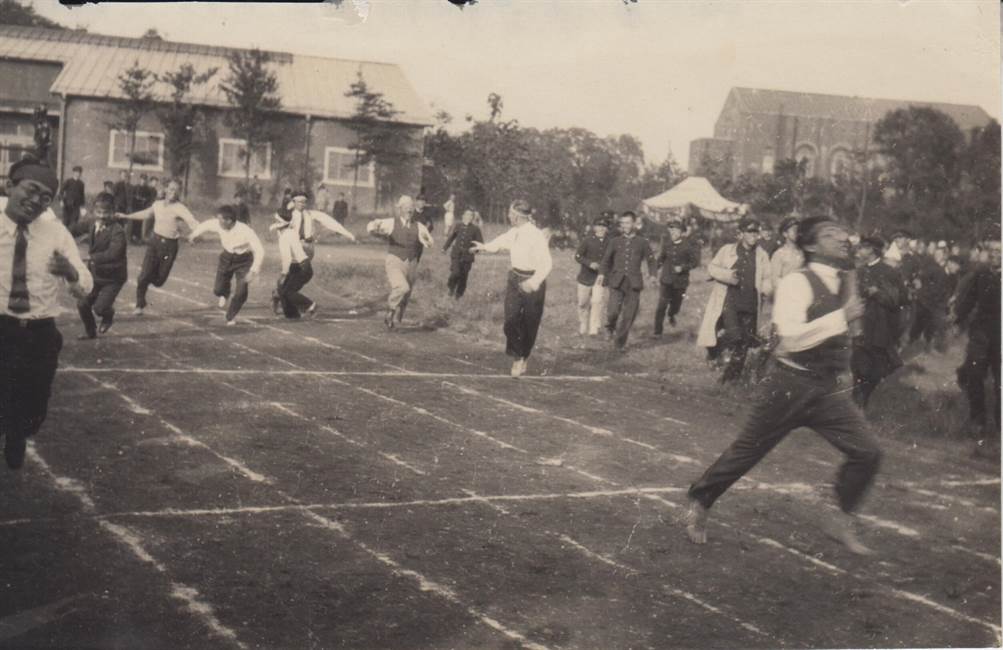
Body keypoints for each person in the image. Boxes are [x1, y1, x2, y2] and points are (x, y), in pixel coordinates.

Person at [685, 216, 882, 555]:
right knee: (748, 451)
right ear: (810, 245)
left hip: (826, 389)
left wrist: (844, 364)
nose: (843, 239)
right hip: (788, 384)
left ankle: (841, 516)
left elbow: (846, 338)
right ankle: (701, 501)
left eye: (843, 233)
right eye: (831, 235)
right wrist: (842, 316)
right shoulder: (796, 283)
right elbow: (790, 341)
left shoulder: (846, 279)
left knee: (868, 452)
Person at [1, 157, 92, 469]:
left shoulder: (55, 232)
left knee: (34, 408)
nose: (36, 201)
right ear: (10, 185)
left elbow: (85, 284)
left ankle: (18, 432)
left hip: (39, 332)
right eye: (31, 189)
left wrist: (70, 272)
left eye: (45, 197)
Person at [471, 200, 552, 377]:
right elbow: (501, 241)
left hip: (532, 281)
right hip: (514, 279)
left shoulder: (536, 235)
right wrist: (484, 247)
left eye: (510, 214)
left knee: (530, 323)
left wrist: (533, 282)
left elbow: (546, 264)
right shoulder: (514, 232)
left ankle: (523, 356)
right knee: (510, 321)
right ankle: (517, 355)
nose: (508, 216)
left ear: (517, 217)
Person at [698, 218, 773, 383]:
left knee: (744, 343)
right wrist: (727, 275)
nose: (754, 235)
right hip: (729, 301)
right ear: (740, 234)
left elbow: (767, 278)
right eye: (750, 232)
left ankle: (729, 379)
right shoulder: (727, 250)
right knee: (735, 336)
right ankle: (713, 350)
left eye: (756, 232)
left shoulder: (762, 255)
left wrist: (766, 290)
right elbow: (712, 268)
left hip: (751, 304)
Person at [117, 178, 200, 315]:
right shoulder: (158, 204)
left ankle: (148, 278)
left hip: (170, 246)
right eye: (171, 189)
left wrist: (194, 234)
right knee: (143, 276)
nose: (173, 192)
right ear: (166, 189)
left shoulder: (180, 208)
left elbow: (193, 222)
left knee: (159, 281)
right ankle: (139, 304)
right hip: (154, 242)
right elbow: (146, 214)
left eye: (176, 190)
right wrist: (126, 216)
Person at [270, 191, 358, 319]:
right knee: (288, 280)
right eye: (299, 201)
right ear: (293, 202)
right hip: (294, 249)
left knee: (292, 280)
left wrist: (348, 234)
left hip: (307, 250)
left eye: (304, 201)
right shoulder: (288, 216)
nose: (302, 204)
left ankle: (282, 296)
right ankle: (286, 303)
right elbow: (279, 219)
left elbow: (330, 222)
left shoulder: (311, 214)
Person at [954, 236, 1001, 438]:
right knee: (974, 374)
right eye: (993, 252)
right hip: (981, 333)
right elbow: (967, 301)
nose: (996, 256)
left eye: (1000, 252)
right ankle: (978, 420)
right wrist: (957, 320)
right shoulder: (981, 275)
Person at [189, 205, 265, 325]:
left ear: (229, 221)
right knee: (218, 289)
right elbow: (205, 225)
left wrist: (253, 271)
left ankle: (230, 315)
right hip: (226, 257)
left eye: (220, 220)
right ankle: (224, 293)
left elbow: (260, 250)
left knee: (241, 291)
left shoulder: (246, 231)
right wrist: (193, 235)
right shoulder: (219, 223)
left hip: (243, 261)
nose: (217, 223)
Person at [851, 236, 903, 409]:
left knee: (878, 368)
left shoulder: (889, 272)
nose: (859, 252)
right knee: (858, 364)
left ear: (872, 250)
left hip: (881, 327)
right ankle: (857, 400)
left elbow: (897, 300)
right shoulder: (859, 271)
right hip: (862, 325)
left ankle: (863, 397)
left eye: (863, 248)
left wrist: (876, 293)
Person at [367, 195, 433, 328]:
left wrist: (426, 239)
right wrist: (375, 226)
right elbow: (371, 227)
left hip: (412, 262)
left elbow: (430, 242)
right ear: (400, 209)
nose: (409, 211)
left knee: (407, 294)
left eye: (411, 209)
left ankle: (396, 316)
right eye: (406, 208)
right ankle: (390, 310)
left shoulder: (418, 226)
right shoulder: (392, 222)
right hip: (395, 260)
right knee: (402, 287)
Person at [71, 192, 127, 340]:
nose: (102, 216)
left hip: (113, 278)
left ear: (113, 212)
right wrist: (59, 233)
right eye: (99, 212)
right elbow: (74, 229)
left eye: (106, 212)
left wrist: (91, 257)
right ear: (94, 211)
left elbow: (114, 253)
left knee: (100, 308)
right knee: (82, 304)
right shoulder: (91, 223)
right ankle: (90, 331)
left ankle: (108, 315)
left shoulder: (118, 231)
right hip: (95, 275)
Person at [598, 211, 656, 352]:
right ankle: (610, 327)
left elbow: (651, 259)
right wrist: (601, 273)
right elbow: (606, 260)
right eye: (622, 223)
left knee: (629, 315)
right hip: (616, 282)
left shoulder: (642, 242)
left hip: (634, 283)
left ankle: (619, 344)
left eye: (628, 222)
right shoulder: (614, 241)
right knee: (612, 311)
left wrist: (653, 274)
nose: (625, 226)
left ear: (635, 224)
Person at [653, 217, 700, 336]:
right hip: (666, 279)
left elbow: (695, 262)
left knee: (676, 305)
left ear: (681, 232)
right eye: (671, 230)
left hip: (680, 282)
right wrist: (653, 272)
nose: (673, 233)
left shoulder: (688, 246)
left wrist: (683, 267)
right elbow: (661, 259)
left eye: (676, 231)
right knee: (661, 305)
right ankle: (657, 332)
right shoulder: (667, 244)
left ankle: (672, 314)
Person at [573, 215, 610, 336]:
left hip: (600, 277)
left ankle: (594, 328)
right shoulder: (587, 240)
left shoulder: (610, 242)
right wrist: (589, 263)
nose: (601, 228)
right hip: (585, 277)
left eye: (604, 226)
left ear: (607, 228)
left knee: (597, 301)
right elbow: (578, 256)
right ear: (594, 227)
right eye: (599, 225)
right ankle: (583, 324)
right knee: (582, 303)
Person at [909, 247, 950, 350]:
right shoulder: (933, 268)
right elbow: (922, 279)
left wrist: (921, 288)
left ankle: (928, 344)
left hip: (935, 302)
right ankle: (913, 342)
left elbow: (939, 289)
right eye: (936, 254)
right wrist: (918, 283)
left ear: (945, 256)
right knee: (919, 323)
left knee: (930, 326)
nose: (937, 256)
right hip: (926, 301)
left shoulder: (943, 270)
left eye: (939, 254)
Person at [442, 208, 483, 299]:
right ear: (463, 216)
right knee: (455, 273)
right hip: (456, 254)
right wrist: (444, 248)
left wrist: (475, 249)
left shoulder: (475, 229)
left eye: (470, 215)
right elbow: (452, 237)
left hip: (468, 256)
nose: (468, 217)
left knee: (463, 277)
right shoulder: (458, 225)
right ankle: (451, 287)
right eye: (466, 215)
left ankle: (459, 295)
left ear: (473, 217)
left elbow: (480, 244)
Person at [770, 216, 804, 285]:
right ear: (785, 234)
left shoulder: (802, 252)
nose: (796, 232)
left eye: (798, 230)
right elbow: (775, 280)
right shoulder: (779, 254)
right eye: (793, 230)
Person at [59, 165, 85, 229]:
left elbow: (82, 195)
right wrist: (61, 200)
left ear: (80, 174)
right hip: (67, 204)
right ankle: (63, 234)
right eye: (76, 172)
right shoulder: (68, 181)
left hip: (76, 205)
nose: (78, 174)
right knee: (65, 221)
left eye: (79, 173)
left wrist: (82, 206)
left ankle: (71, 234)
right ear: (73, 173)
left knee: (74, 221)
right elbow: (61, 191)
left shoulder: (81, 183)